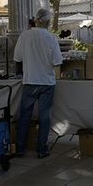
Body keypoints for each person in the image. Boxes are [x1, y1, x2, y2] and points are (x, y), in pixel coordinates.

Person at [14, 8, 62, 158]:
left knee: (25, 115)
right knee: (44, 116)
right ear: (47, 21)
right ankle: (41, 149)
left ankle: (20, 148)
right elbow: (57, 61)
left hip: (29, 80)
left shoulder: (24, 36)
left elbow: (17, 58)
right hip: (47, 82)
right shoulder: (51, 38)